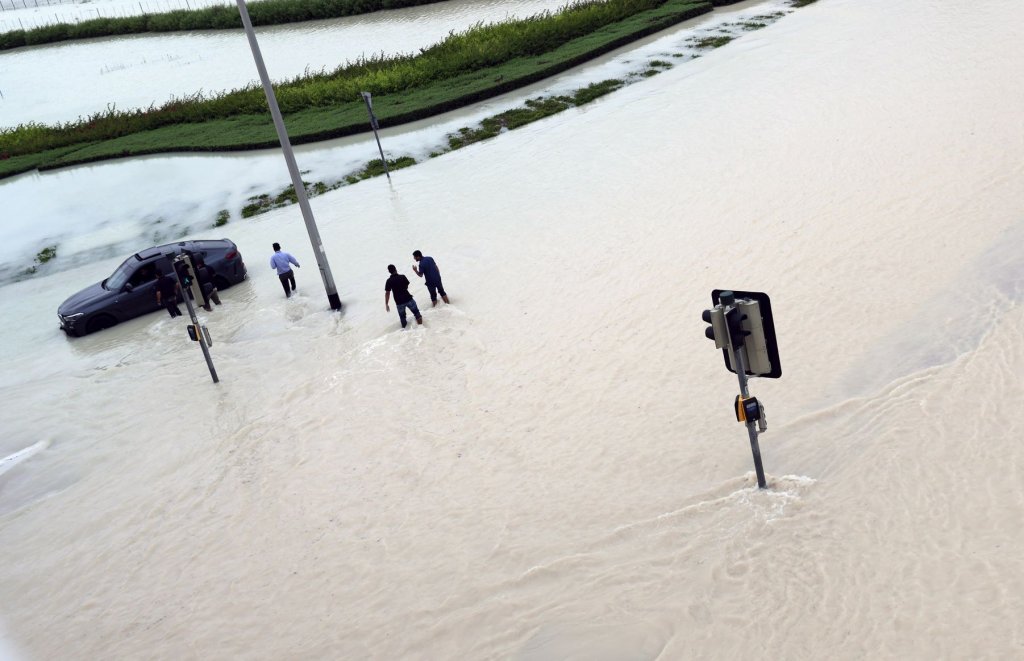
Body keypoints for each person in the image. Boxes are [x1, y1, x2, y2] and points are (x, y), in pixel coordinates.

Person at [384, 264, 422, 328]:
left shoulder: (389, 281)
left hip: (399, 302)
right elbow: (406, 286)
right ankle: (421, 327)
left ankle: (405, 332)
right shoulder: (402, 276)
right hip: (408, 298)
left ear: (389, 271)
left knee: (402, 317)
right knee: (417, 313)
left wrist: (386, 304)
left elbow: (387, 293)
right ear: (395, 269)